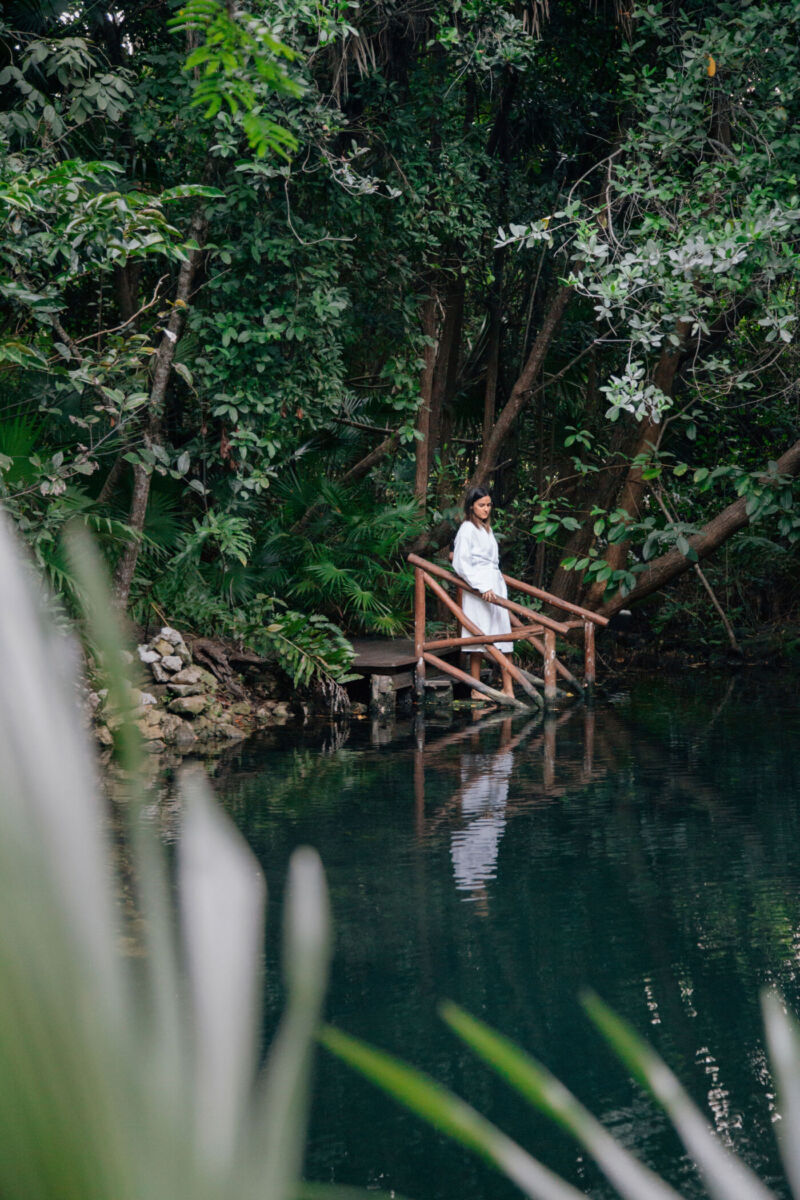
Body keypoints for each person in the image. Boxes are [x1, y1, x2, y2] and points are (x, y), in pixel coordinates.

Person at [452, 488, 514, 699]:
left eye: (488, 505)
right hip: (478, 587)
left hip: (495, 583)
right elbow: (460, 563)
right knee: (478, 637)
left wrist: (494, 585)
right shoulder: (467, 529)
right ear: (471, 507)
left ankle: (508, 689)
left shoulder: (487, 530)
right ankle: (476, 689)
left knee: (504, 635)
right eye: (481, 505)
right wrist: (480, 586)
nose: (486, 509)